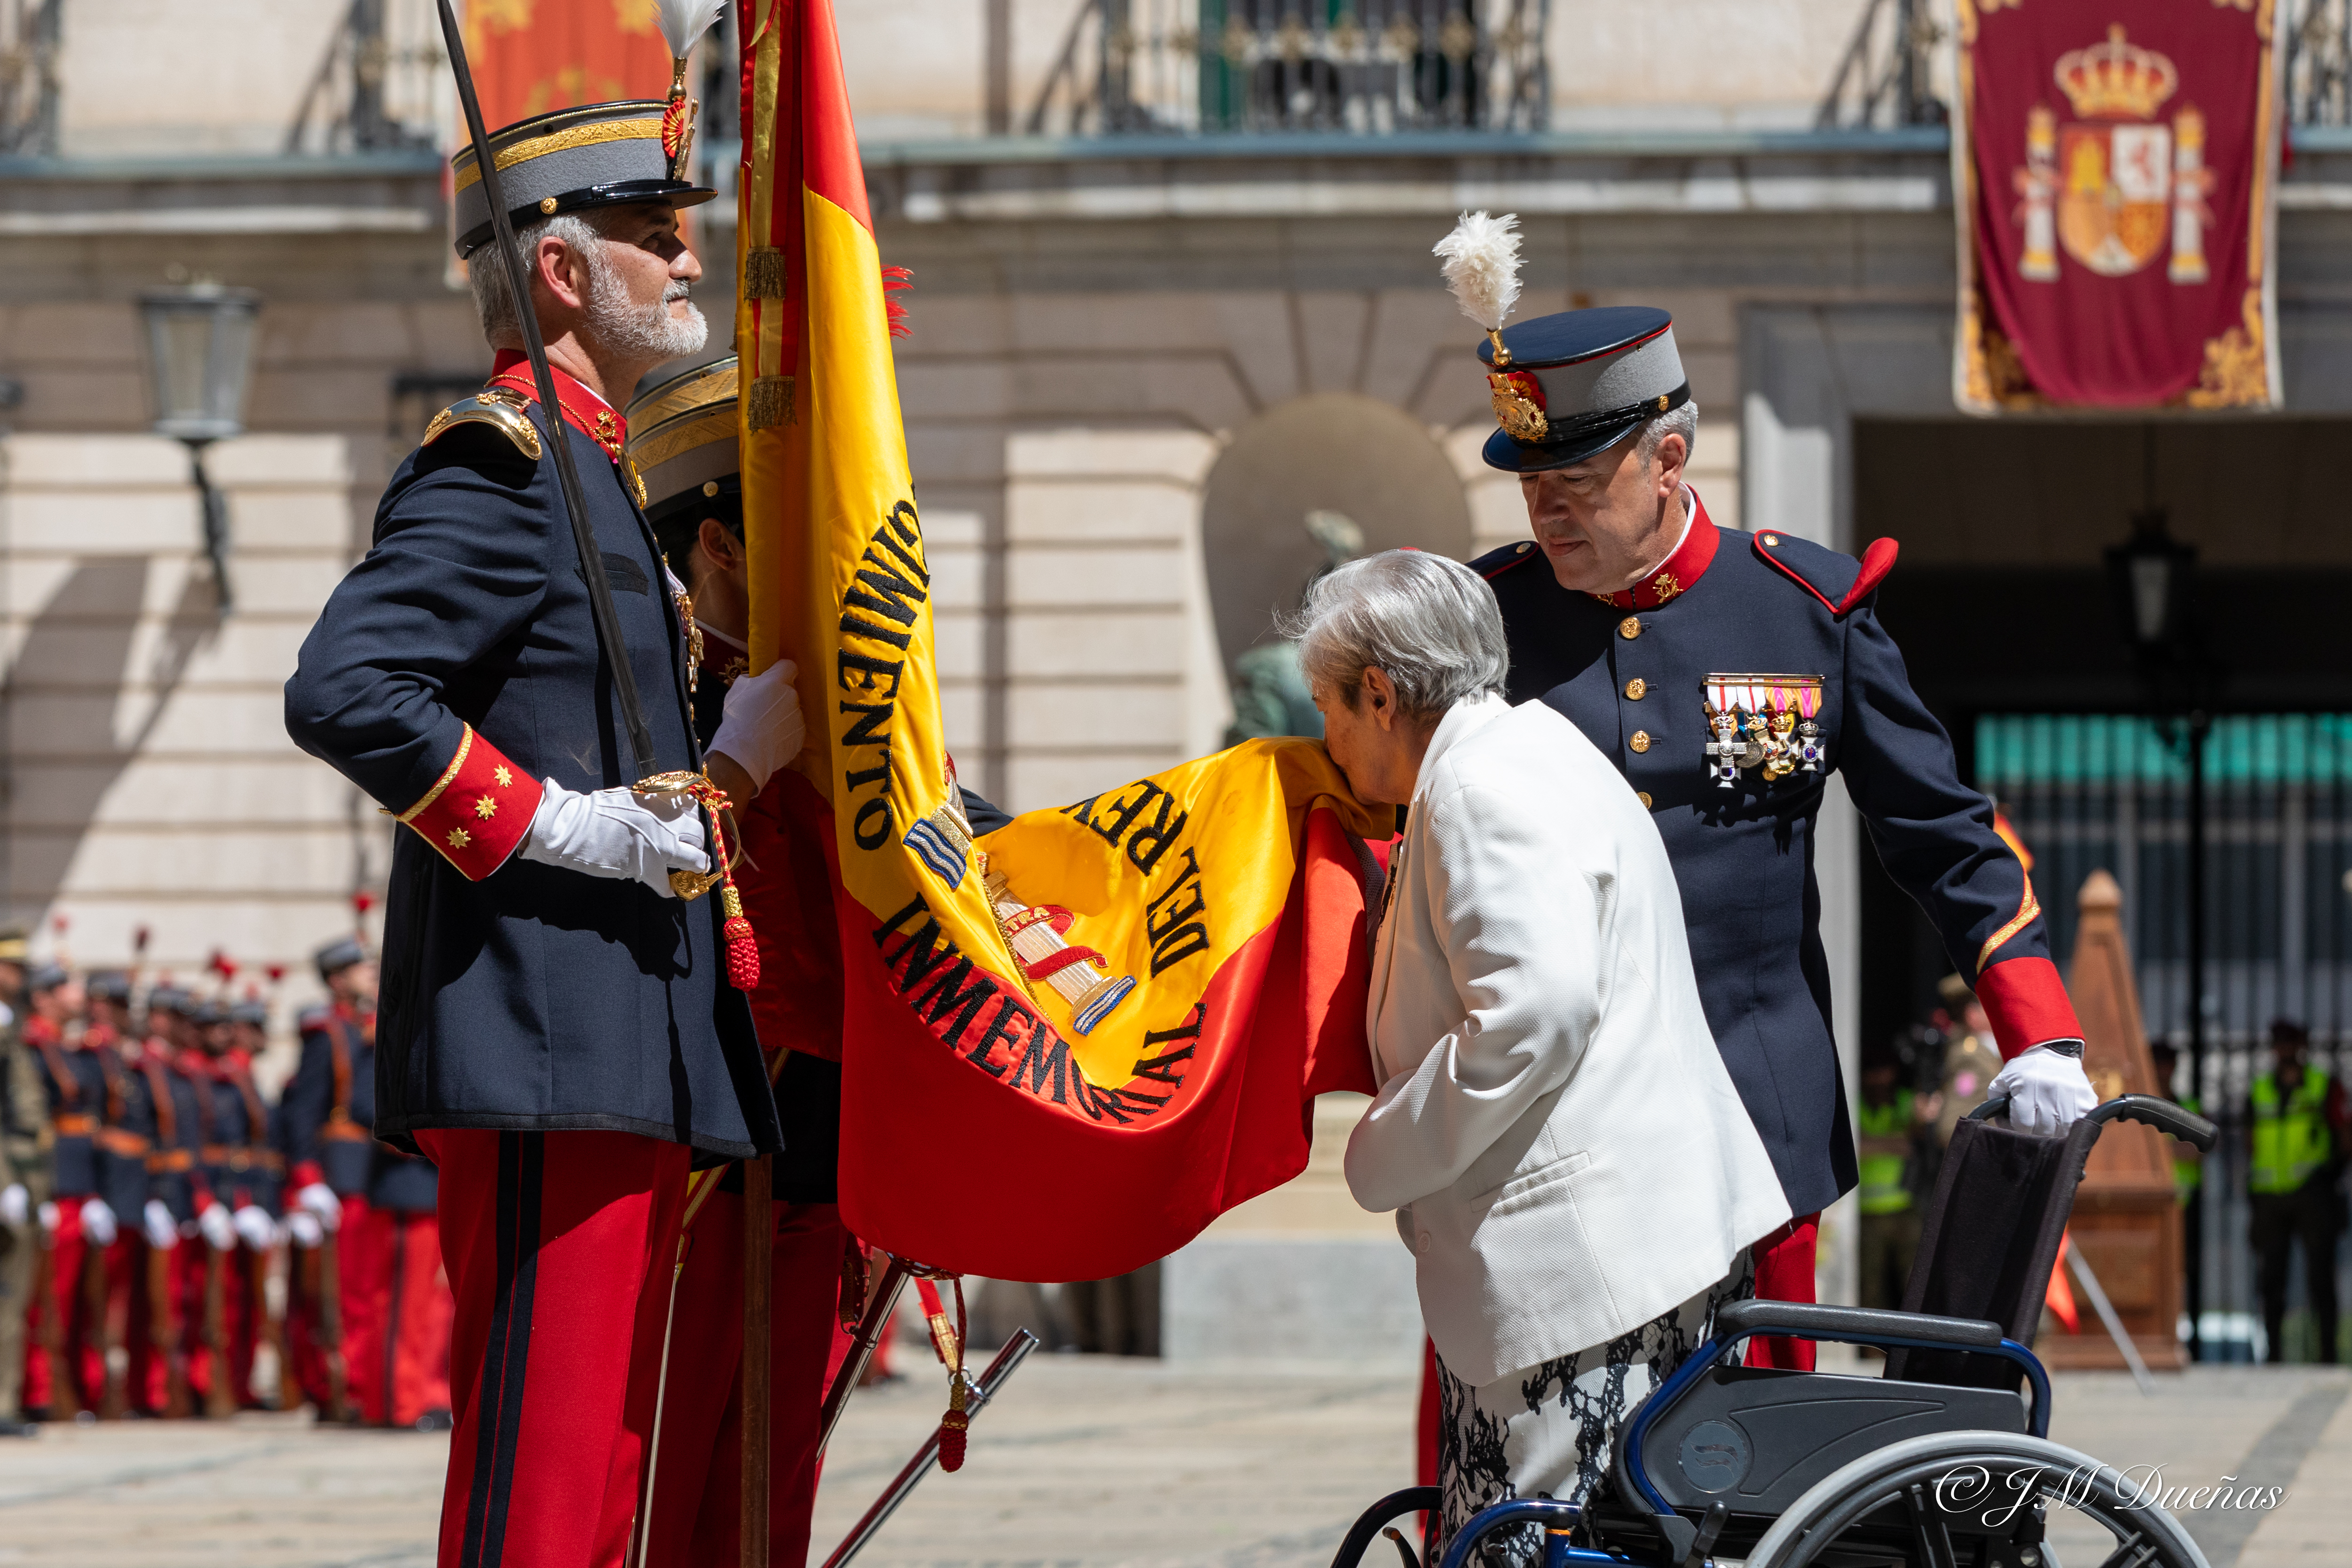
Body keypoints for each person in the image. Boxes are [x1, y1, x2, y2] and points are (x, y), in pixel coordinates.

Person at [283, 101, 787, 1566]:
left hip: (626, 1041)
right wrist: (573, 831)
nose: (691, 260)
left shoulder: (603, 477)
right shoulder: (498, 467)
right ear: (562, 276)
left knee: (602, 1475)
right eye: (654, 236)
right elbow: (345, 690)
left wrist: (729, 765)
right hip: (544, 1037)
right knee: (540, 1486)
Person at [1458, 299, 2097, 1369]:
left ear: (1667, 458)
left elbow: (1942, 835)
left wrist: (2039, 1030)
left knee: (1746, 1470)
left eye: (1574, 487)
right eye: (1530, 489)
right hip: (1544, 1133)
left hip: (1751, 1130)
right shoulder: (1486, 622)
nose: (1545, 517)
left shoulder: (1804, 608)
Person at [1299, 549, 1788, 1541]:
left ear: (1382, 693)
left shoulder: (1478, 785)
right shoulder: (1530, 752)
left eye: (1329, 707)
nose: (1327, 737)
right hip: (1621, 1261)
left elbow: (1533, 1010)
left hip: (1591, 1285)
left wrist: (1381, 1150)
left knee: (1542, 1548)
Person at [623, 357, 1009, 1564]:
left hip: (818, 1173)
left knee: (764, 1507)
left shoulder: (868, 713)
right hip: (690, 1173)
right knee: (653, 1501)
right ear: (727, 548)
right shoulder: (649, 706)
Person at [279, 939, 453, 1430]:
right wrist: (308, 1179)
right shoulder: (330, 1033)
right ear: (337, 979)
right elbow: (305, 1113)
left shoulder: (366, 1028)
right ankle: (359, 1390)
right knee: (355, 1298)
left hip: (372, 1175)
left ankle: (393, 1390)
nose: (372, 976)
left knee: (400, 1297)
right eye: (361, 970)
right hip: (350, 1174)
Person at [22, 962, 98, 1420]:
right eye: (68, 987)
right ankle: (38, 1390)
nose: (78, 994)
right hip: (52, 1185)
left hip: (77, 1186)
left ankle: (63, 1386)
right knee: (45, 1297)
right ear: (43, 997)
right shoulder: (32, 1049)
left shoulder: (67, 1049)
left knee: (71, 1298)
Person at [2248, 1020, 2347, 1364]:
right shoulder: (2261, 1087)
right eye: (2280, 1043)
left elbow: (2344, 1132)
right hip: (2270, 1196)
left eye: (2291, 1042)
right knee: (2272, 1281)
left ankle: (2328, 1356)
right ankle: (2273, 1355)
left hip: (2313, 1193)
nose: (2286, 1050)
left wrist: (2329, 1175)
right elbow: (2249, 1140)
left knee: (2320, 1278)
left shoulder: (2322, 1085)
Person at [0, 935, 49, 1436]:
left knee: (12, 1300)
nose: (17, 976)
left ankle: (4, 1401)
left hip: (22, 1183)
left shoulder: (11, 1024)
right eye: (7, 966)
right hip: (5, 1178)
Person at [1854, 1048, 1939, 1311]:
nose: (1879, 1079)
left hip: (1905, 1208)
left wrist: (1925, 1119)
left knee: (1915, 1287)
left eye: (1884, 1071)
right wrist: (1894, 1142)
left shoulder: (1907, 1100)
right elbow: (1856, 1145)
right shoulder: (1853, 1102)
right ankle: (1869, 1352)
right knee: (1870, 1291)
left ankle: (1915, 1349)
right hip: (1866, 1214)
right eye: (1873, 1073)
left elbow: (1917, 1141)